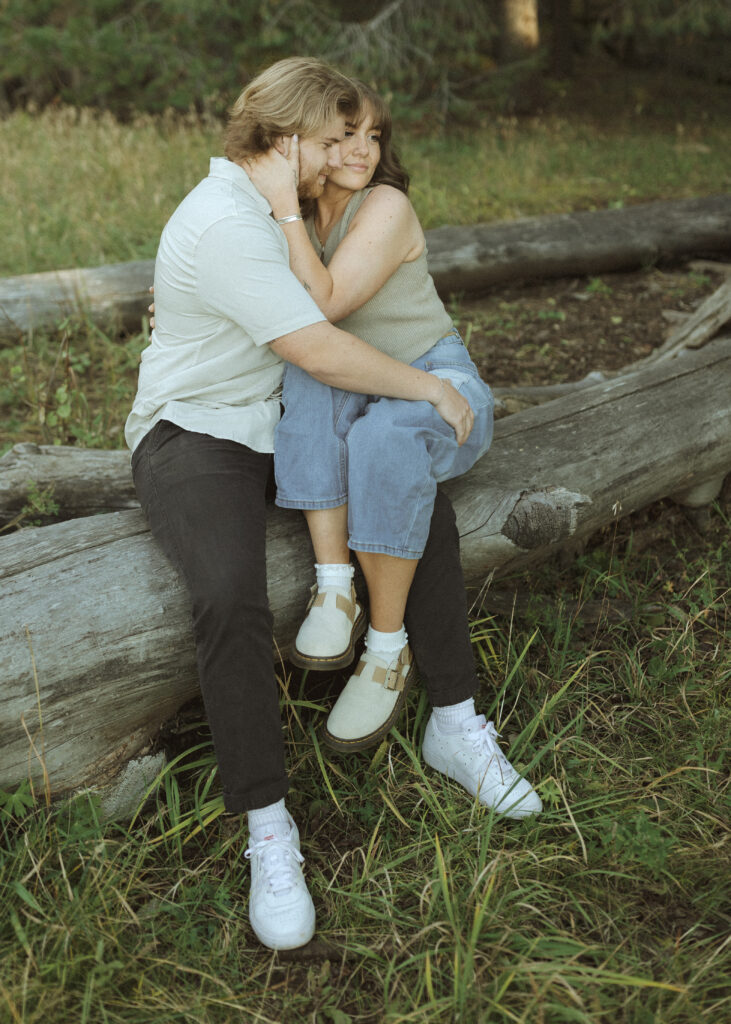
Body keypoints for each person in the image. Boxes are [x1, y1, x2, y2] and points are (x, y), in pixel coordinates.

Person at [127, 58, 539, 954]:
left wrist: (418, 396)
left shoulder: (286, 209)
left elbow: (326, 329)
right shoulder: (234, 219)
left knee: (401, 480)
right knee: (228, 590)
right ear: (282, 143)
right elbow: (317, 345)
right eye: (325, 141)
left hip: (287, 418)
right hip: (200, 434)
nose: (342, 156)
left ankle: (454, 719)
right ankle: (268, 827)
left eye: (359, 137)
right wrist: (428, 390)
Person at [247, 80, 499, 757]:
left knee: (382, 434)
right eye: (346, 134)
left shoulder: (383, 204)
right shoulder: (293, 207)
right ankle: (336, 593)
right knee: (311, 367)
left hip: (433, 382)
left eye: (374, 136)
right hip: (354, 383)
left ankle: (386, 650)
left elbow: (323, 305)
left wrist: (285, 218)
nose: (362, 150)